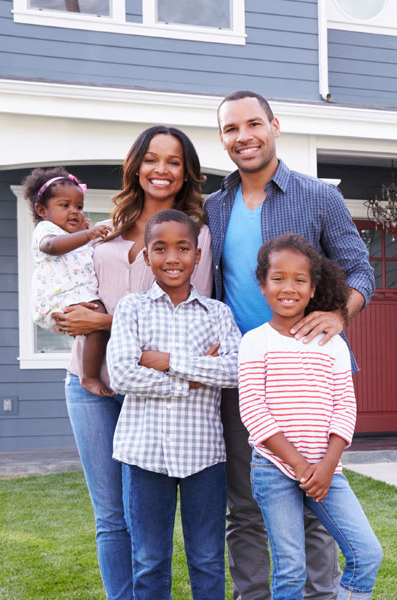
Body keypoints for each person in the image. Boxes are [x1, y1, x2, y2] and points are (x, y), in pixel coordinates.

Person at [204, 90, 375, 600]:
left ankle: (319, 595)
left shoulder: (317, 196)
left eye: (253, 124)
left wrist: (339, 314)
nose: (244, 137)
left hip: (308, 376)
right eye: (232, 129)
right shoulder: (215, 205)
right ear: (223, 139)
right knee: (246, 505)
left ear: (274, 125)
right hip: (245, 375)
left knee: (315, 505)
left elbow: (360, 268)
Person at [53, 126, 213, 600]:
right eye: (151, 159)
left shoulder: (191, 235)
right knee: (109, 516)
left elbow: (184, 320)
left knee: (145, 518)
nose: (160, 170)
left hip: (148, 385)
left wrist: (99, 322)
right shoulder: (108, 224)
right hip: (85, 382)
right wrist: (67, 312)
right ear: (136, 165)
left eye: (174, 161)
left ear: (186, 172)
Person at [238, 233, 382, 600]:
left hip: (327, 469)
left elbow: (344, 407)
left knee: (366, 553)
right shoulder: (255, 342)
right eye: (278, 278)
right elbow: (254, 411)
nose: (289, 287)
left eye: (300, 280)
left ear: (314, 288)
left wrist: (327, 465)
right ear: (262, 284)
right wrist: (302, 468)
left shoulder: (331, 342)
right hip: (274, 468)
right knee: (290, 568)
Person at [107, 209, 240, 600]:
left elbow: (233, 371)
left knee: (207, 558)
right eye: (160, 248)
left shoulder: (218, 313)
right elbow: (122, 375)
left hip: (204, 455)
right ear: (146, 256)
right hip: (144, 453)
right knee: (149, 560)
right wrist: (196, 377)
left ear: (198, 255)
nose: (172, 258)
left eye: (183, 248)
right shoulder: (132, 308)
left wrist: (167, 361)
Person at [24, 167, 113, 397]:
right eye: (65, 206)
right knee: (98, 321)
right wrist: (86, 235)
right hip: (59, 297)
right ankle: (88, 376)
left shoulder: (75, 234)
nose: (74, 212)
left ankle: (90, 372)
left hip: (77, 294)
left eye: (79, 207)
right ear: (42, 210)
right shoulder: (46, 230)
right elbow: (52, 247)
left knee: (96, 323)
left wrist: (83, 235)